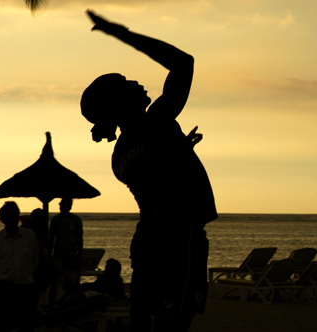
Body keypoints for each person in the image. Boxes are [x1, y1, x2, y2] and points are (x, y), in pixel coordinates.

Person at [81, 10, 218, 332]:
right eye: (126, 84)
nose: (137, 82)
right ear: (118, 102)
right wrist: (122, 34)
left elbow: (157, 178)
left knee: (144, 320)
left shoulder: (122, 152)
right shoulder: (154, 124)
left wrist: (181, 148)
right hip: (176, 238)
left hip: (151, 240)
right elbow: (183, 62)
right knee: (172, 323)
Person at [0, 201, 39, 332]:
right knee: (3, 326)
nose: (13, 218)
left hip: (26, 289)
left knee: (26, 325)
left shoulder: (30, 236)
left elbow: (35, 260)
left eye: (15, 215)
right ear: (2, 219)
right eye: (9, 215)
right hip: (4, 290)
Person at [48, 198, 84, 305]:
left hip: (71, 256)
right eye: (61, 206)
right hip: (58, 256)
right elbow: (51, 239)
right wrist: (50, 257)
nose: (62, 208)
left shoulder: (76, 220)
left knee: (72, 283)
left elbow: (80, 240)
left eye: (64, 206)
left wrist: (79, 257)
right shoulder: (55, 220)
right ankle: (51, 304)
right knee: (54, 283)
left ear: (69, 207)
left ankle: (73, 304)